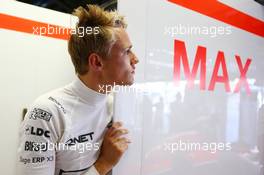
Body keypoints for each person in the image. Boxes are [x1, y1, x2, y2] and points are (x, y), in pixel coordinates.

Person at [17, 4, 139, 175]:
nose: (136, 59)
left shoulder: (117, 107)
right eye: (127, 51)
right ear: (96, 62)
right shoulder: (46, 113)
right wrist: (104, 164)